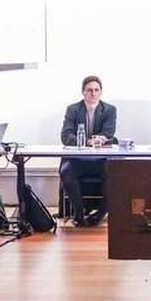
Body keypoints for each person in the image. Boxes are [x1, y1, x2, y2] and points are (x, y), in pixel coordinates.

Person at [59, 75, 118, 226]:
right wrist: (88, 141)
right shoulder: (73, 109)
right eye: (89, 90)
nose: (93, 93)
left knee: (115, 171)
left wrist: (101, 139)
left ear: (101, 92)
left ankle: (100, 214)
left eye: (96, 90)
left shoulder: (109, 110)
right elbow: (66, 136)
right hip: (77, 159)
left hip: (100, 159)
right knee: (66, 171)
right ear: (83, 92)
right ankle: (78, 213)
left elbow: (108, 134)